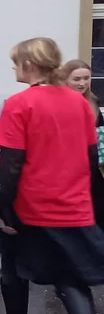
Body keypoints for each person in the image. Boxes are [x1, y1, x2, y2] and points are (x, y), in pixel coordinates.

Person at [0, 38, 104, 314]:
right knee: (70, 277)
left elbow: (10, 166)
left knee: (12, 264)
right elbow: (89, 158)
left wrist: (2, 209)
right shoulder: (79, 103)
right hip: (73, 203)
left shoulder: (19, 104)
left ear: (29, 64)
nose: (14, 68)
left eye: (16, 62)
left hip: (33, 204)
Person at [63, 59, 104, 226]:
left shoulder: (93, 101)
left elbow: (100, 129)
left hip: (94, 166)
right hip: (69, 167)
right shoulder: (60, 104)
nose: (82, 83)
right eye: (77, 79)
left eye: (86, 78)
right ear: (65, 79)